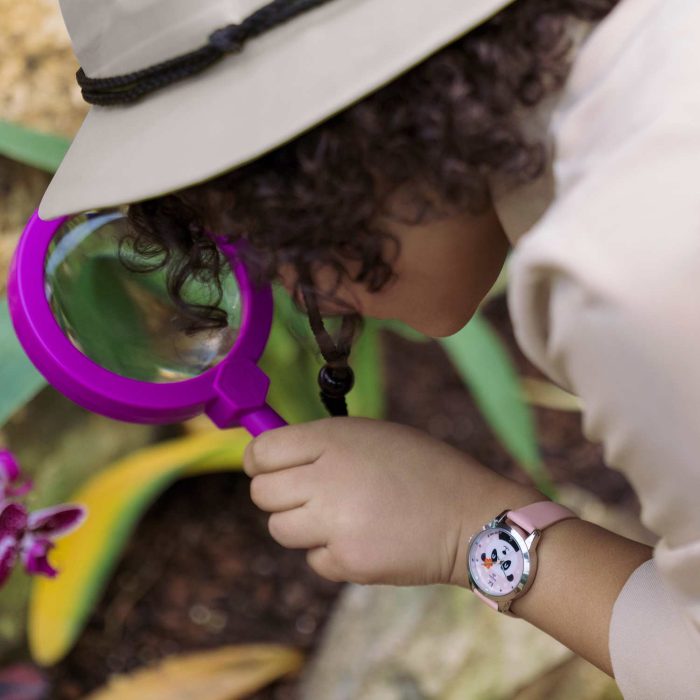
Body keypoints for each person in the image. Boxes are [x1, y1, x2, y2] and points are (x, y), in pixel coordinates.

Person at [37, 0, 700, 696]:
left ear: (347, 136)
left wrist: (466, 527)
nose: (290, 285)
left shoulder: (622, 276)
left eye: (268, 217)